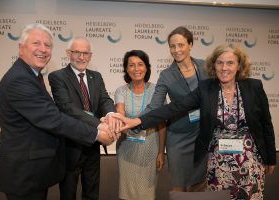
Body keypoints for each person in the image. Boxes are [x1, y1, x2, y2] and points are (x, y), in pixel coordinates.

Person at [116, 44, 276, 200]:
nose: (224, 68)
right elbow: (174, 108)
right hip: (219, 160)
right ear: (214, 66)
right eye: (219, 62)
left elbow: (266, 124)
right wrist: (137, 121)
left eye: (230, 62)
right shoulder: (206, 88)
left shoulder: (254, 86)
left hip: (250, 159)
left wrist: (270, 158)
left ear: (239, 65)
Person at [0, 24, 116, 200]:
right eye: (36, 43)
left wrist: (110, 116)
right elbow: (55, 117)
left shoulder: (32, 75)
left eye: (48, 45)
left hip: (32, 170)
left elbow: (103, 100)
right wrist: (96, 132)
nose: (43, 49)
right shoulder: (20, 80)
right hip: (24, 174)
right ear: (21, 48)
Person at [48, 36, 120, 200]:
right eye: (77, 52)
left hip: (93, 144)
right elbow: (66, 108)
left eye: (85, 53)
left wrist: (110, 114)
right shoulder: (57, 77)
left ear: (90, 55)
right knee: (68, 193)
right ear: (68, 53)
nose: (81, 57)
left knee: (92, 192)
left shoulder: (96, 76)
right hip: (71, 145)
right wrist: (99, 125)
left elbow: (104, 99)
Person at [144, 26, 207, 192]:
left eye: (180, 45)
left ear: (190, 44)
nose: (176, 50)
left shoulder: (206, 66)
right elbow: (155, 105)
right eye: (172, 46)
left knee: (200, 183)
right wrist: (135, 120)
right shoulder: (166, 74)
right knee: (179, 184)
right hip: (178, 136)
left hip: (202, 135)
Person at [114, 50, 166, 200]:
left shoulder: (157, 91)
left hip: (151, 148)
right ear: (126, 69)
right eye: (131, 65)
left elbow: (162, 124)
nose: (136, 69)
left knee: (147, 194)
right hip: (126, 148)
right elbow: (120, 113)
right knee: (126, 193)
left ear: (147, 67)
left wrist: (161, 152)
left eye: (140, 64)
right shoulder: (121, 91)